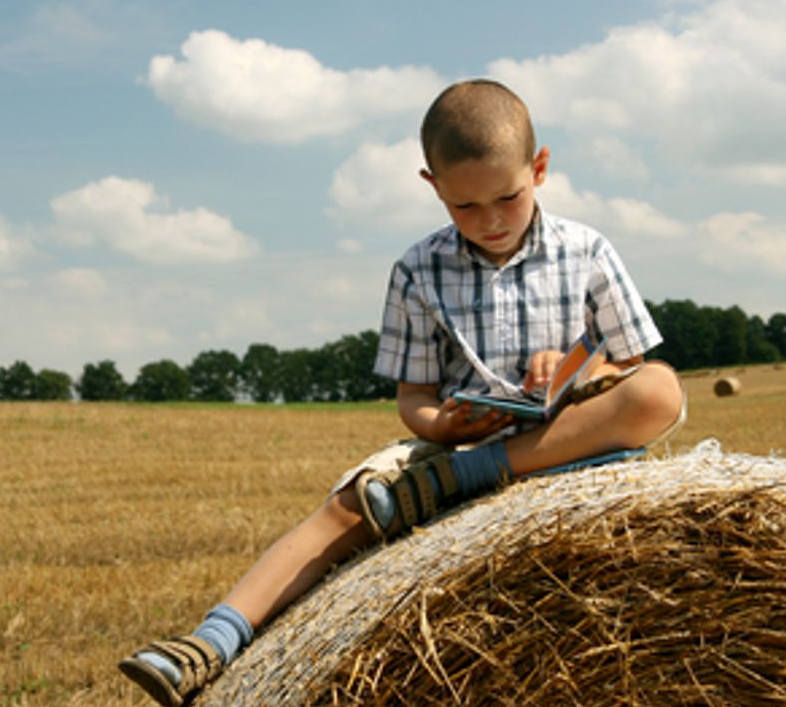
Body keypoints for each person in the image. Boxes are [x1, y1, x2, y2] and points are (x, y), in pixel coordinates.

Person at [118, 79, 685, 706]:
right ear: (433, 186)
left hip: (561, 436)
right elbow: (413, 395)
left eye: (508, 197)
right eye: (465, 207)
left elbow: (627, 365)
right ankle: (211, 642)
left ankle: (474, 476)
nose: (491, 221)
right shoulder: (417, 270)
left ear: (540, 168)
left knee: (659, 390)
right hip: (453, 446)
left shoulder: (589, 252)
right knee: (350, 507)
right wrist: (441, 426)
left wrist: (579, 369)